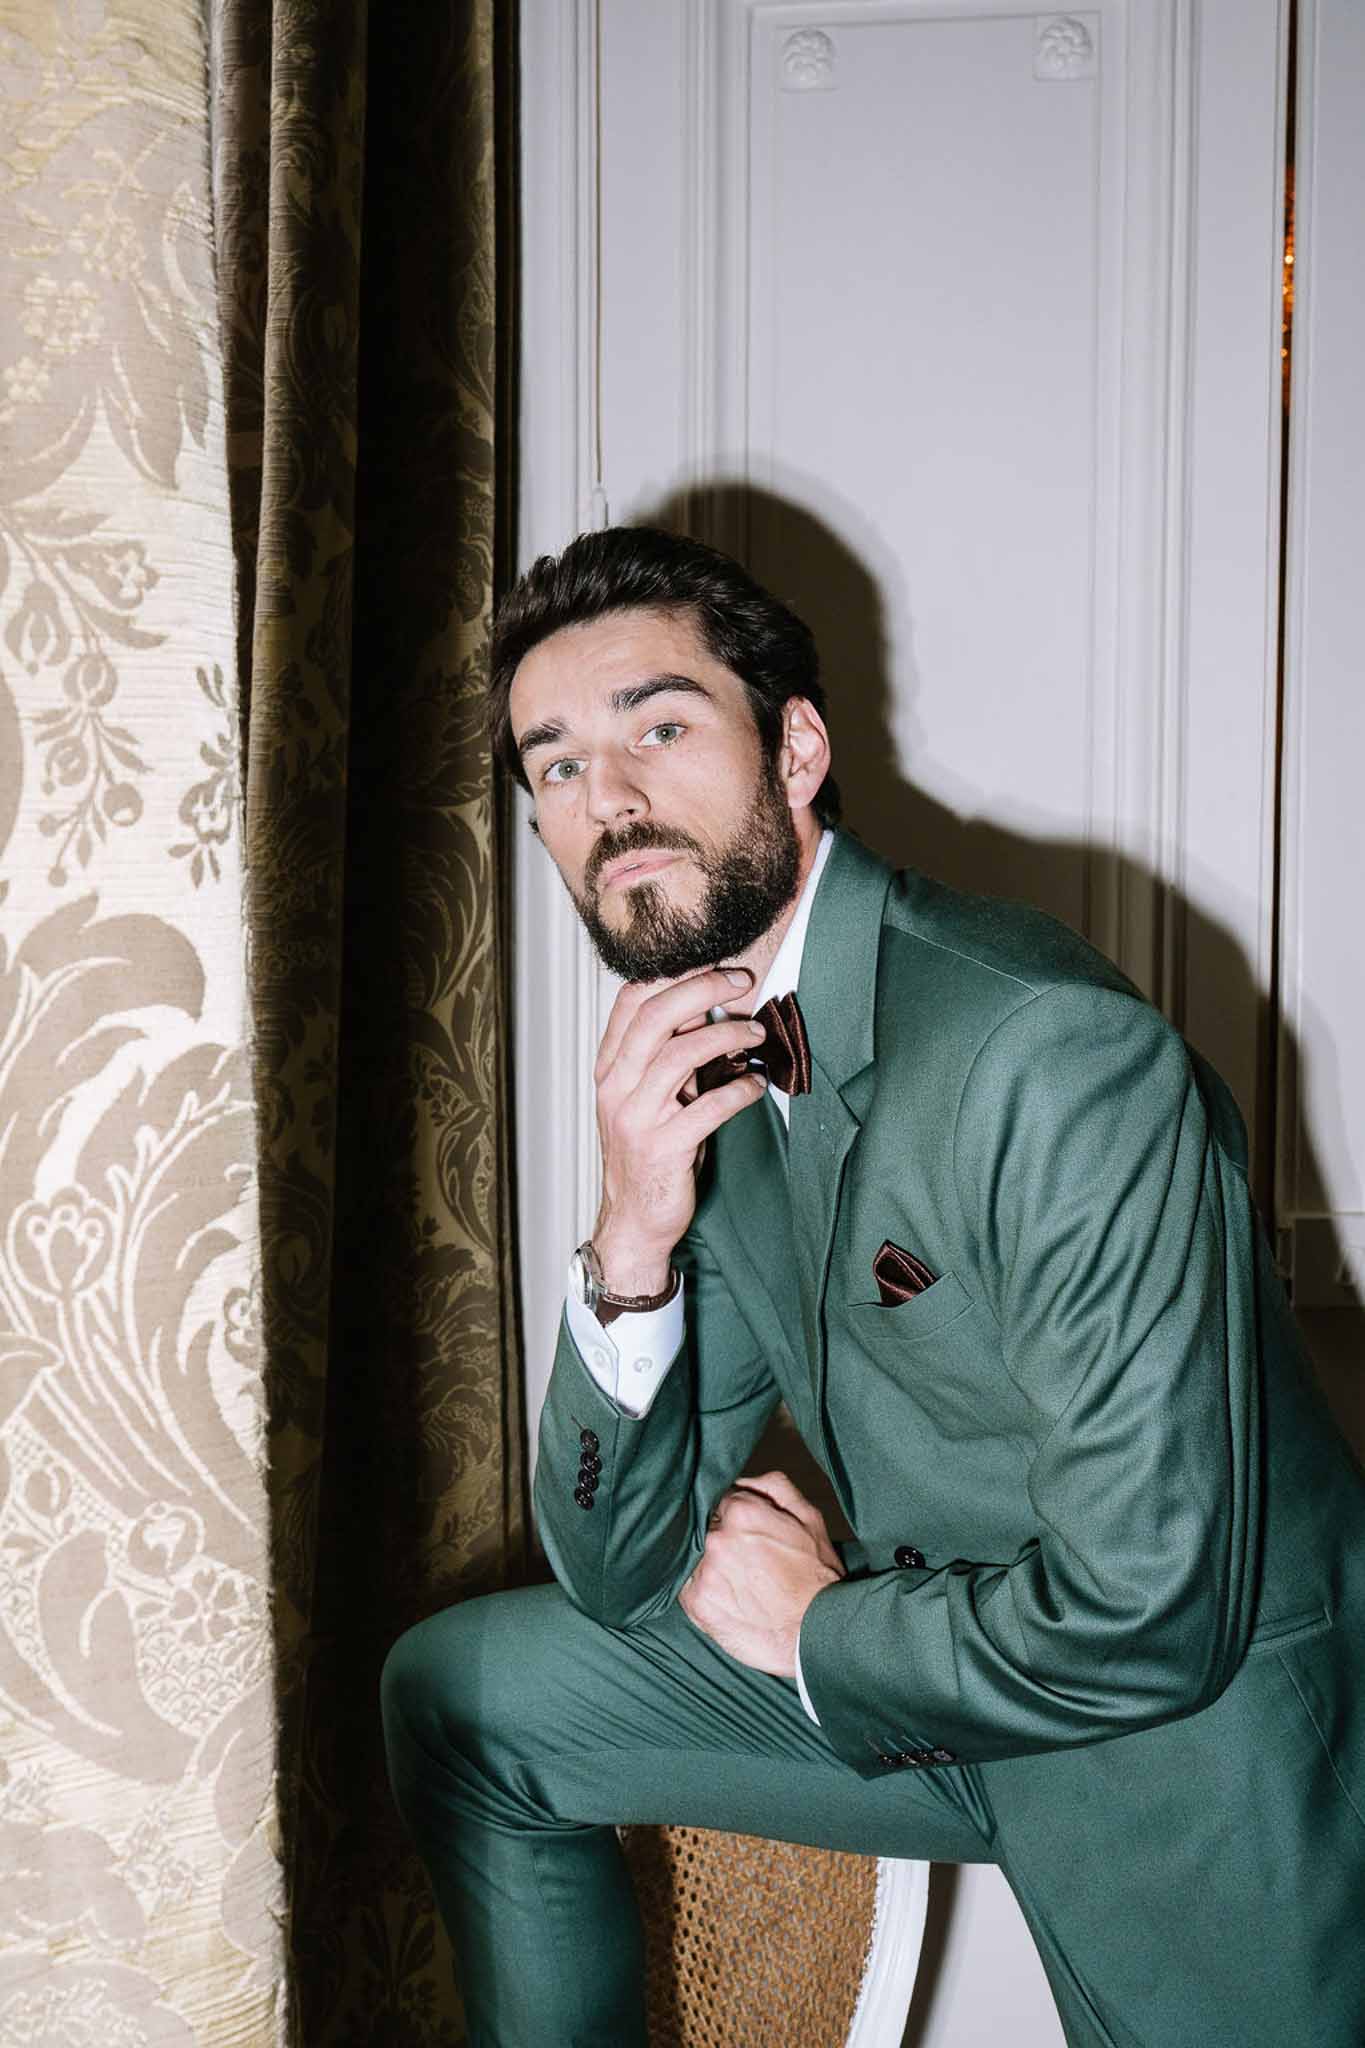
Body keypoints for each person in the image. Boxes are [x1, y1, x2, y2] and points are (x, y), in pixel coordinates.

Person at [381, 525, 1365, 2047]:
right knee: (461, 1699)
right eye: (556, 768)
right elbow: (611, 1563)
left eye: (659, 726)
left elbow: (1156, 1616)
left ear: (794, 748)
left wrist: (818, 1632)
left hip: (1189, 1737)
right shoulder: (706, 1059)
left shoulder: (1043, 1053)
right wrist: (632, 1229)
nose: (612, 802)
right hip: (931, 1662)